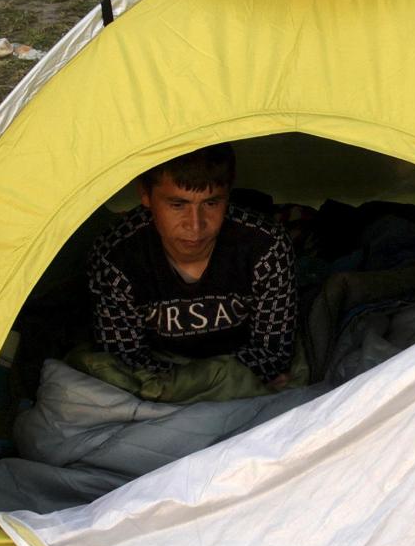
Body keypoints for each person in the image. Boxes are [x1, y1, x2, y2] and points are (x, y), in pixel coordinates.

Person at [87, 143, 296, 389]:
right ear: (145, 195)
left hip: (240, 369)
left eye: (211, 203)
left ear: (228, 194)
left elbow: (273, 353)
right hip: (164, 375)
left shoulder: (265, 245)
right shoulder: (118, 255)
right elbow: (123, 361)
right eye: (178, 205)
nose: (195, 226)